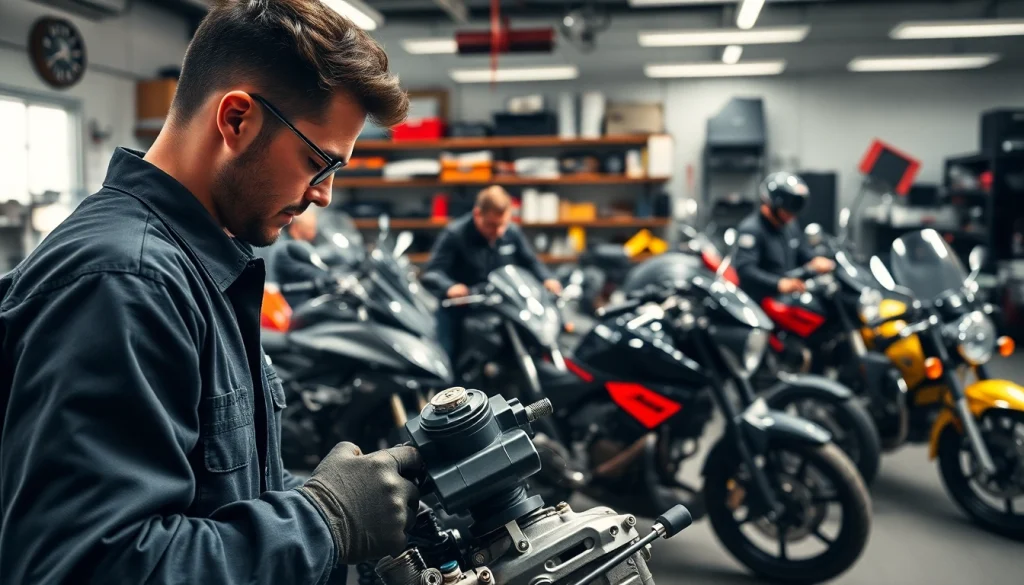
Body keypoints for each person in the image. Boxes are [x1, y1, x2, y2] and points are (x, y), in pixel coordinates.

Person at [0, 2, 420, 584]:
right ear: (237, 120)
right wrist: (322, 521)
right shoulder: (125, 283)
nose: (323, 195)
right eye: (318, 163)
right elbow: (91, 565)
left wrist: (374, 510)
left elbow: (215, 505)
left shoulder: (199, 268)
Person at [422, 185, 563, 362]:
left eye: (502, 225)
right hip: (464, 307)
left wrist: (547, 278)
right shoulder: (455, 234)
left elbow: (530, 261)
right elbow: (433, 272)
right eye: (491, 225)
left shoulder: (511, 232)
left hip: (502, 307)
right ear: (477, 214)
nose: (497, 232)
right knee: (445, 357)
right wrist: (450, 287)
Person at [733, 171, 836, 302]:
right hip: (762, 300)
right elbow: (746, 270)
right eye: (788, 208)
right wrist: (778, 283)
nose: (792, 215)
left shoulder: (789, 225)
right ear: (773, 204)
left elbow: (801, 251)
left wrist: (814, 260)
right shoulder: (751, 230)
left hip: (787, 295)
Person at [270, 207, 330, 307]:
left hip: (307, 303)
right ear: (297, 227)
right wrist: (330, 276)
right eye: (310, 228)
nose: (314, 232)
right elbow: (314, 273)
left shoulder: (306, 245)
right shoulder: (287, 249)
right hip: (293, 308)